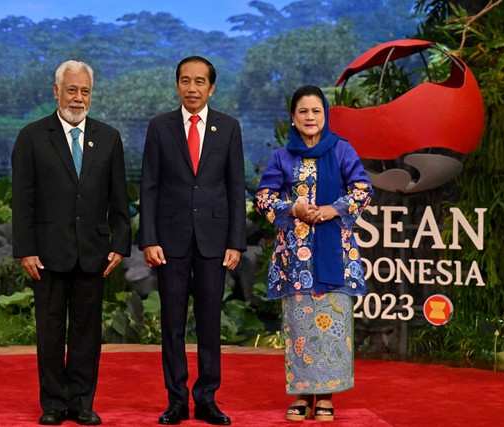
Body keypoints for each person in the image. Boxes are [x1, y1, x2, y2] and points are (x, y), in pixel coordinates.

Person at [12, 60, 131, 426]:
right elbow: (23, 201)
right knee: (49, 331)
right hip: (46, 254)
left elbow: (119, 199)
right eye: (71, 90)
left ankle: (81, 401)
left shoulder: (108, 137)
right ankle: (52, 403)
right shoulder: (32, 136)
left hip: (93, 254)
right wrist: (25, 249)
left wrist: (120, 243)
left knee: (86, 333)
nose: (78, 98)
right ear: (56, 92)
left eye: (85, 91)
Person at [138, 56, 247, 426]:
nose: (192, 88)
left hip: (215, 243)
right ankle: (177, 401)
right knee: (172, 325)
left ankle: (207, 399)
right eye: (185, 81)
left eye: (200, 81)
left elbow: (235, 187)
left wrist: (236, 242)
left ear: (212, 88)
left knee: (209, 325)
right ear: (177, 85)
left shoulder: (229, 128)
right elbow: (149, 186)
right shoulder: (159, 127)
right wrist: (148, 238)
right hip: (169, 243)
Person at [254, 85, 372, 422]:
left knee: (333, 325)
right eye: (303, 111)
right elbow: (263, 197)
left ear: (325, 115)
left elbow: (362, 190)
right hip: (296, 259)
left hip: (336, 252)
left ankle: (326, 397)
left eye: (316, 111)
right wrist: (293, 207)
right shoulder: (282, 156)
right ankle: (303, 393)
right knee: (301, 326)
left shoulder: (342, 150)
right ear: (293, 117)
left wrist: (335, 209)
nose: (309, 117)